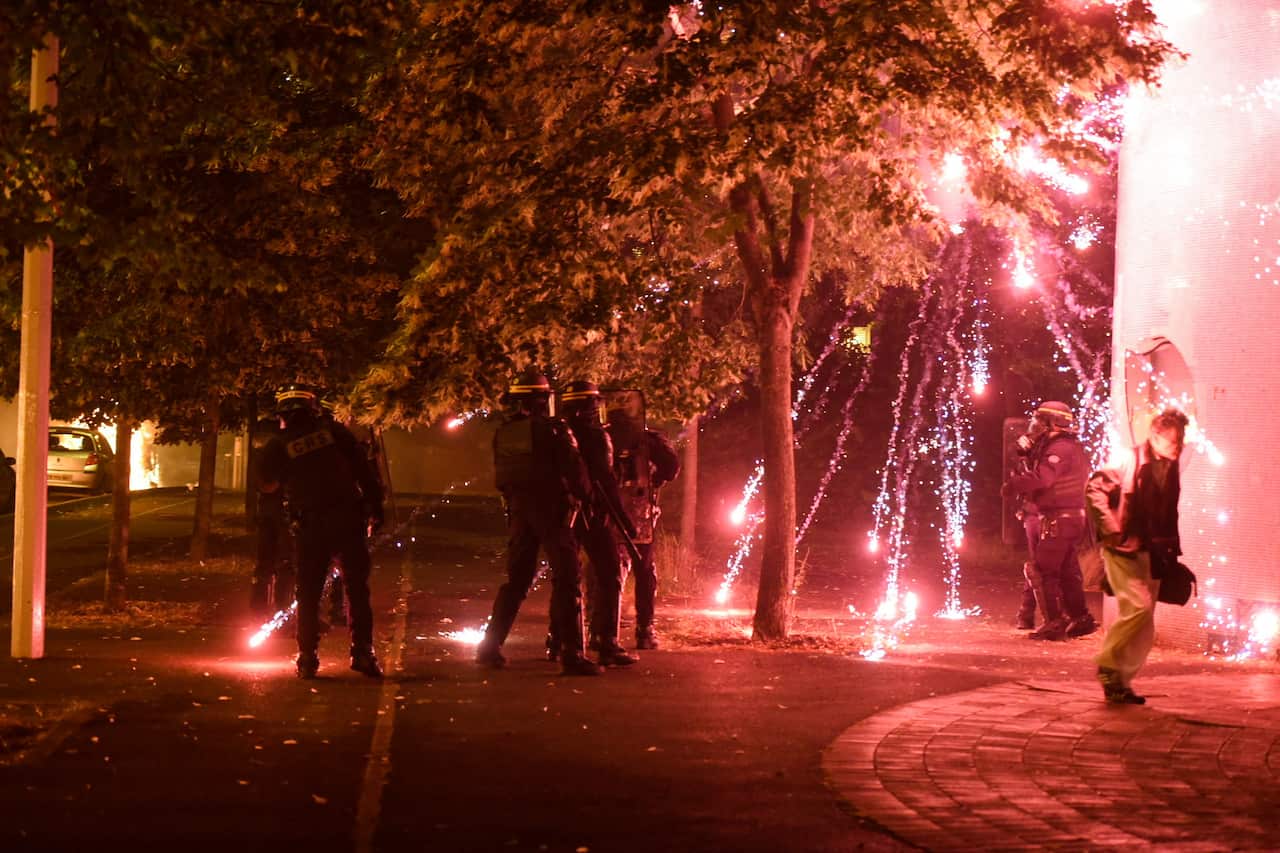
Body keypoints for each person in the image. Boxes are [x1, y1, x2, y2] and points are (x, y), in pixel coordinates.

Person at [476, 371, 602, 676]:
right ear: (541, 400)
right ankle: (572, 654)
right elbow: (575, 470)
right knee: (568, 578)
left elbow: (501, 479)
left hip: (520, 512)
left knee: (517, 581)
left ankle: (489, 646)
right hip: (552, 511)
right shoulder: (554, 430)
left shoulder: (504, 433)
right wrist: (586, 496)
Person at [259, 384, 386, 679]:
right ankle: (363, 652)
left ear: (283, 414)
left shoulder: (279, 444)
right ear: (314, 409)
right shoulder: (336, 433)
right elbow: (364, 473)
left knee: (308, 593)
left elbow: (267, 484)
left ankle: (307, 657)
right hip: (348, 520)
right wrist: (376, 510)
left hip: (310, 526)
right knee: (356, 589)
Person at [1087, 407, 1188, 705]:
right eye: (1173, 441)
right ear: (1155, 437)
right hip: (1124, 546)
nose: (1178, 446)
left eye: (1180, 440)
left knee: (1144, 620)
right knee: (1139, 609)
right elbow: (1094, 489)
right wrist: (1111, 530)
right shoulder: (1128, 459)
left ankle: (1120, 681)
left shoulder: (1168, 464)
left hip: (1151, 550)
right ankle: (1109, 666)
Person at [556, 380, 638, 667]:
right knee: (610, 573)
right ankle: (607, 641)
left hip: (562, 514)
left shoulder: (557, 433)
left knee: (566, 577)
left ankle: (559, 641)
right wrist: (625, 521)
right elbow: (606, 481)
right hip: (593, 515)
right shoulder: (595, 436)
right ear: (589, 406)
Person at [1001, 401, 1098, 641]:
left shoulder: (1061, 448)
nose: (1035, 426)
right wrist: (1026, 453)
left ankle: (1054, 622)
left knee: (1041, 570)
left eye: (1040, 421)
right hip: (1067, 518)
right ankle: (1080, 618)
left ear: (1053, 424)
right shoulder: (1062, 446)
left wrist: (1014, 485)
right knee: (1066, 571)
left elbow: (1043, 478)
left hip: (1061, 519)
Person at [631, 428, 681, 649]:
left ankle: (599, 630)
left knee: (603, 570)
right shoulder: (646, 439)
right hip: (637, 514)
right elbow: (671, 468)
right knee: (644, 571)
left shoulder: (603, 433)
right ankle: (644, 629)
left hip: (608, 514)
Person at [249, 417, 295, 616]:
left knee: (264, 564)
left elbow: (262, 484)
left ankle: (259, 610)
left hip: (268, 512)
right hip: (281, 513)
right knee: (285, 562)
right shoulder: (286, 448)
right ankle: (281, 611)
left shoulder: (266, 450)